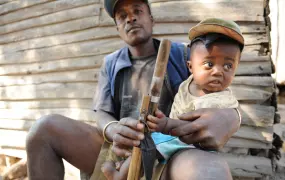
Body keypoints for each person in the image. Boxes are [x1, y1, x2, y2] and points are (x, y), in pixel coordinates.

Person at [25, 0, 241, 179]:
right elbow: (101, 112)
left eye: (137, 11)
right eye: (122, 16)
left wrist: (232, 117)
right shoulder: (110, 63)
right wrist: (112, 129)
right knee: (43, 129)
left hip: (171, 150)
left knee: (208, 171)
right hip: (120, 150)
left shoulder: (182, 54)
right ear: (117, 27)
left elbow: (218, 94)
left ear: (151, 19)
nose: (131, 18)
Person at [147, 18, 244, 161]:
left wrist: (166, 123)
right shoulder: (188, 83)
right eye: (209, 64)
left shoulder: (219, 102)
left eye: (228, 66)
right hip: (170, 137)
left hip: (191, 146)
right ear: (190, 67)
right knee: (143, 145)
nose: (218, 71)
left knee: (149, 147)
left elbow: (195, 128)